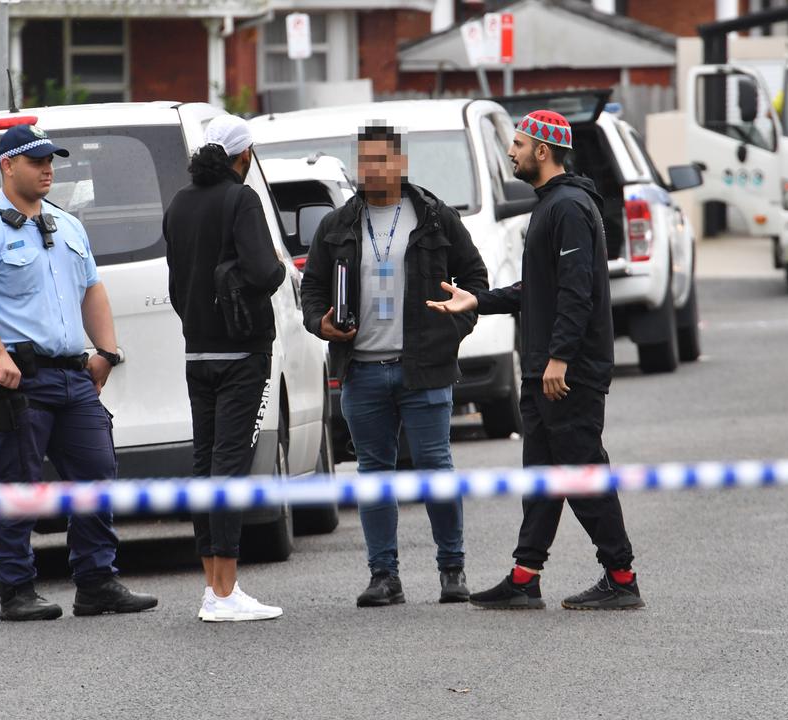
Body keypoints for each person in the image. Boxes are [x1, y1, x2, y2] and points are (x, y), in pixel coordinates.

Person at [427, 110, 643, 611]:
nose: (511, 152)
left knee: (582, 473)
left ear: (542, 151)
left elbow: (576, 291)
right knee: (542, 476)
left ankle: (622, 577)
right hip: (545, 369)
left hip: (568, 374)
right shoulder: (550, 205)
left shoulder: (569, 207)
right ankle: (525, 578)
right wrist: (477, 300)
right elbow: (539, 289)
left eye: (519, 144)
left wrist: (560, 358)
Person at [0, 124, 157, 622]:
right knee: (19, 484)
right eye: (35, 161)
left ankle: (97, 583)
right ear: (6, 166)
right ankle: (16, 589)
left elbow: (92, 288)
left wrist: (107, 351)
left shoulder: (67, 225)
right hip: (19, 381)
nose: (47, 170)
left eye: (50, 161)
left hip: (72, 377)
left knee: (96, 473)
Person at [300, 122, 489, 607]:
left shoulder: (435, 217)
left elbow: (475, 280)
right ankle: (384, 575)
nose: (373, 169)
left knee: (435, 467)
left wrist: (451, 331)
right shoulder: (337, 225)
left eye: (382, 160)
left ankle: (452, 569)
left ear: (401, 163)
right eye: (365, 161)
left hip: (423, 368)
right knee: (374, 473)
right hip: (362, 370)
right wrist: (322, 324)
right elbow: (312, 289)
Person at [163, 115, 286, 623]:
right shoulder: (242, 199)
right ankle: (226, 590)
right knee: (231, 465)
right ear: (244, 156)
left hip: (197, 350)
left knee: (205, 463)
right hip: (242, 352)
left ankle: (213, 587)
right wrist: (277, 266)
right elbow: (265, 272)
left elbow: (176, 284)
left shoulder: (179, 203)